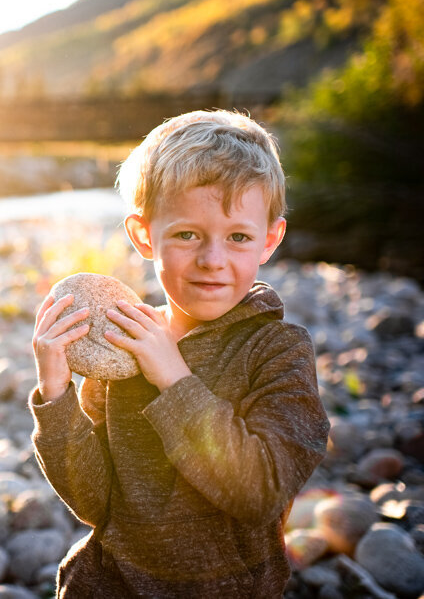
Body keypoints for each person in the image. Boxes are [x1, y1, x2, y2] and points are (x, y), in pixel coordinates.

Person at [29, 110, 330, 597]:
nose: (213, 259)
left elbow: (260, 490)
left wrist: (174, 378)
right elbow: (94, 502)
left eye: (238, 237)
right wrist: (56, 392)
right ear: (144, 235)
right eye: (187, 234)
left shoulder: (278, 352)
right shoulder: (125, 344)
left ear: (270, 239)